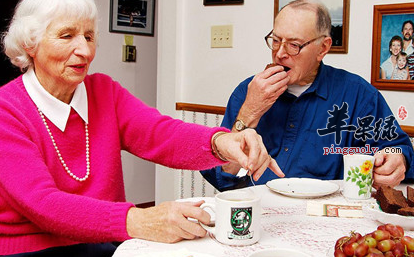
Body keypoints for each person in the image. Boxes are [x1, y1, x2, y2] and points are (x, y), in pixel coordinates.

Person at [0, 0, 284, 256]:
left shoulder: (103, 92)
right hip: (31, 248)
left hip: (104, 242)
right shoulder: (7, 109)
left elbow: (161, 134)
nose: (85, 50)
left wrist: (222, 143)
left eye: (89, 36)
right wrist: (140, 220)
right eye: (67, 36)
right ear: (30, 44)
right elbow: (44, 204)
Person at [201, 0, 414, 192]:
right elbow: (222, 179)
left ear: (323, 48)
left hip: (329, 221)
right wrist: (248, 114)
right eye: (275, 40)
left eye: (294, 45)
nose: (280, 53)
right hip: (261, 215)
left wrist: (399, 159)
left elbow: (398, 147)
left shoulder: (358, 94)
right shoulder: (248, 91)